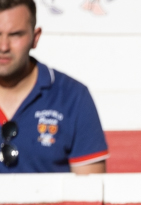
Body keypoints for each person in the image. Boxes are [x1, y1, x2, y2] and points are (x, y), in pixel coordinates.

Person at [0, 0, 106, 173]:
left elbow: (90, 193)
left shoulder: (73, 97)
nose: (4, 46)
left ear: (35, 37)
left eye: (15, 35)